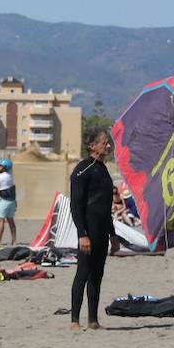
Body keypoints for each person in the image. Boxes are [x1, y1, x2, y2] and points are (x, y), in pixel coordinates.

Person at [69, 130, 120, 330]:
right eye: (105, 143)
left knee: (97, 275)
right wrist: (82, 234)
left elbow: (106, 208)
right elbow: (76, 205)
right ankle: (74, 320)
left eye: (109, 143)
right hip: (87, 231)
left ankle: (92, 320)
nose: (108, 146)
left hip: (101, 232)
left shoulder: (104, 170)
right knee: (83, 273)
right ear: (92, 146)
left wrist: (113, 235)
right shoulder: (82, 169)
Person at [0, 158, 17, 244]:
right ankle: (14, 241)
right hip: (12, 201)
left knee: (1, 220)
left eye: (0, 166)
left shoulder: (3, 176)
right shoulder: (9, 175)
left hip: (4, 201)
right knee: (11, 221)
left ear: (5, 168)